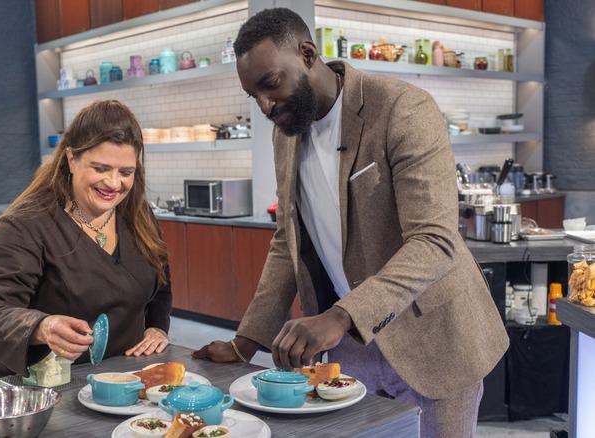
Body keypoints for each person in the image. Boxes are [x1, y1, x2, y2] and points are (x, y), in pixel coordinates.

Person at [192, 8, 508, 437]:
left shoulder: (401, 107)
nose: (265, 105)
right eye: (255, 96)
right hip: (352, 344)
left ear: (306, 54)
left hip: (434, 339)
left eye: (271, 85)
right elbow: (288, 242)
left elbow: (434, 240)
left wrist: (340, 316)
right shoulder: (285, 132)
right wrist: (247, 340)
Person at [0, 99, 172, 377]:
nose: (114, 183)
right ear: (71, 159)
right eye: (100, 169)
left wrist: (157, 326)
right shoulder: (26, 224)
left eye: (126, 172)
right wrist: (42, 326)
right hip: (38, 388)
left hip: (118, 380)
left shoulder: (138, 214)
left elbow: (161, 283)